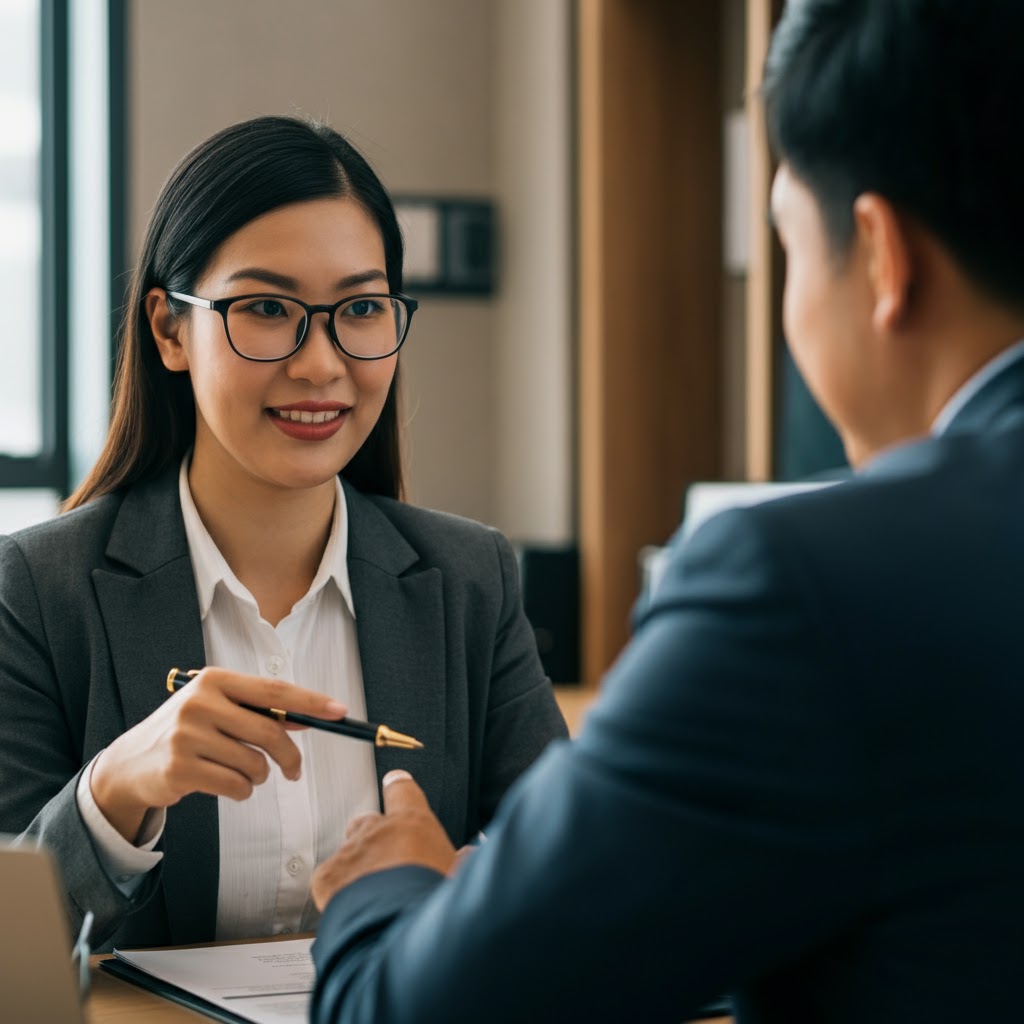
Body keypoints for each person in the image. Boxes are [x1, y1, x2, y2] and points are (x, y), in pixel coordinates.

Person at [307, 1, 1024, 1020]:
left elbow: (424, 1009)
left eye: (785, 245)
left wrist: (388, 883)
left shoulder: (805, 589)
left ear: (879, 255)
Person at [0, 115, 566, 952]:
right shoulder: (36, 589)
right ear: (168, 330)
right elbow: (14, 954)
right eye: (268, 308)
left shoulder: (470, 578)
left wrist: (460, 881)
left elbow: (578, 877)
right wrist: (112, 794)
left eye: (362, 308)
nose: (321, 363)